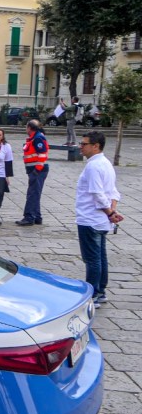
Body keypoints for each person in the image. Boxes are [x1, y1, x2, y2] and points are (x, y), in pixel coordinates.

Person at [76, 131, 121, 305]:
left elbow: (98, 193)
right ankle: (101, 291)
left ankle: (93, 293)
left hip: (90, 218)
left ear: (95, 146)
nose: (81, 146)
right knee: (100, 257)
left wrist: (110, 212)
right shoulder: (105, 163)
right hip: (101, 219)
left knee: (92, 259)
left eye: (84, 144)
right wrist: (112, 211)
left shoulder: (94, 166)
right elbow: (113, 192)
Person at [16, 120, 50, 226]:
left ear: (30, 128)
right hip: (35, 170)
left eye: (26, 127)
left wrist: (36, 170)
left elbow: (42, 154)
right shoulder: (35, 137)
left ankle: (29, 217)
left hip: (37, 171)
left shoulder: (38, 138)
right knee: (35, 193)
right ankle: (37, 217)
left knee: (32, 194)